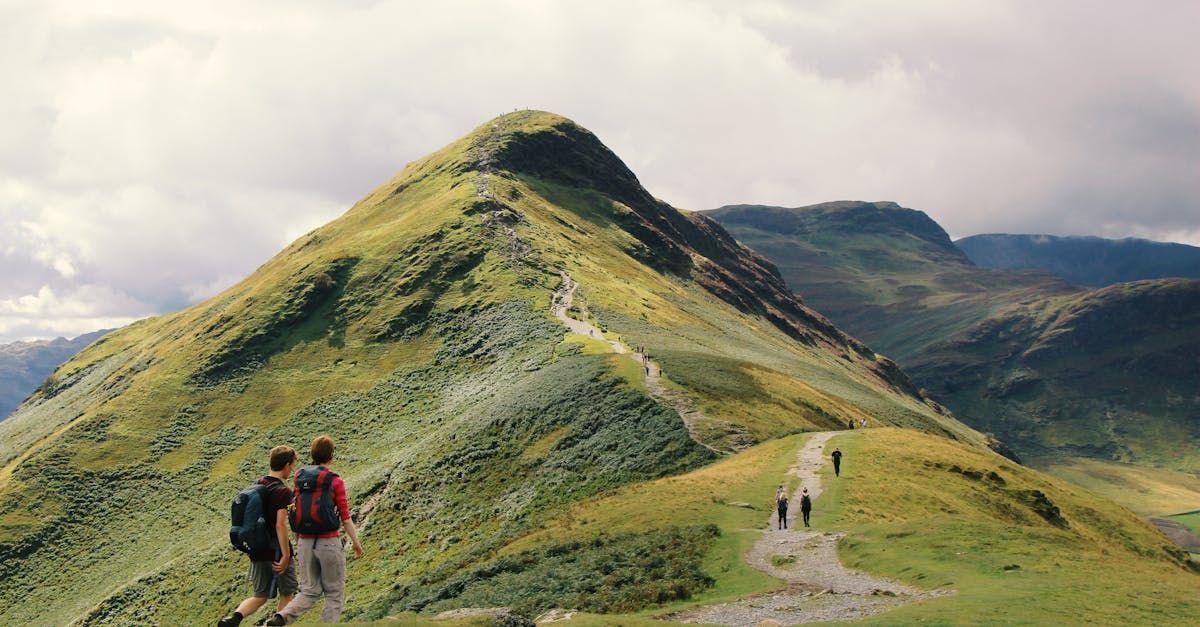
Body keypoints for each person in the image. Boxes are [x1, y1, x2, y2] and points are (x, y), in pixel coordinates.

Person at [266, 436, 364, 626]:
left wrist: (298, 540)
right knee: (334, 593)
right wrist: (357, 544)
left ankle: (281, 617)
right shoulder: (335, 481)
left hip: (305, 542)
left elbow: (296, 509)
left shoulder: (299, 476)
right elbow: (345, 517)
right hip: (328, 542)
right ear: (331, 455)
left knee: (309, 590)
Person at [219, 446, 299, 627]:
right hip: (276, 551)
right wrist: (286, 555)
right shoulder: (282, 491)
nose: (292, 469)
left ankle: (234, 619)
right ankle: (276, 623)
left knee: (260, 595)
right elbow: (280, 525)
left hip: (257, 550)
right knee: (287, 593)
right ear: (286, 465)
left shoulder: (257, 485)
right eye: (292, 465)